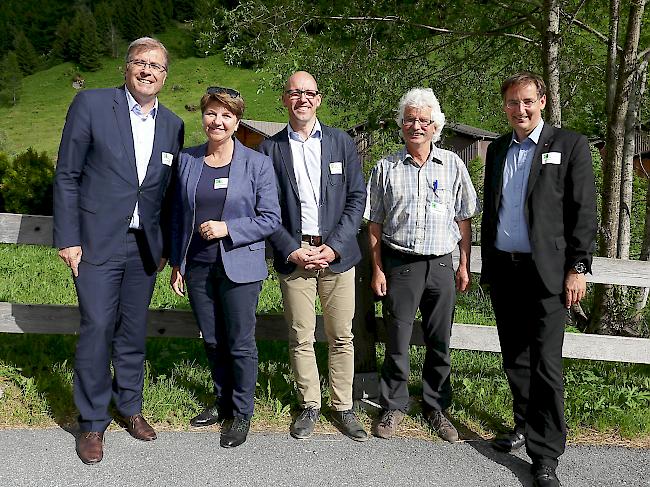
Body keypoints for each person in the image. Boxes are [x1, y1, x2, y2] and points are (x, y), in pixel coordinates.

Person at [53, 37, 184, 464]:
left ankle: (129, 406)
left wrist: (165, 246)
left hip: (143, 247)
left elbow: (166, 194)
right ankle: (91, 421)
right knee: (96, 327)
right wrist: (69, 238)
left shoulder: (173, 124)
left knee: (132, 330)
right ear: (126, 67)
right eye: (140, 63)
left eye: (156, 67)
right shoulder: (92, 105)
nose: (148, 71)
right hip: (96, 242)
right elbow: (68, 175)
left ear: (165, 76)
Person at [481, 72, 597, 487]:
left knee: (546, 365)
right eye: (513, 103)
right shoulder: (496, 149)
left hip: (548, 273)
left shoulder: (568, 145)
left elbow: (583, 211)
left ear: (542, 102)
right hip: (506, 269)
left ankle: (545, 455)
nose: (520, 109)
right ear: (505, 106)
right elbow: (493, 208)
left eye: (527, 101)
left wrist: (578, 267)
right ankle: (523, 427)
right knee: (516, 357)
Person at [258, 71, 368, 441]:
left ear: (318, 99)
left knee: (341, 335)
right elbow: (266, 207)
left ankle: (343, 406)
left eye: (309, 93)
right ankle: (310, 405)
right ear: (285, 99)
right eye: (294, 93)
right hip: (295, 256)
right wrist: (292, 249)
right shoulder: (269, 149)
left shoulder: (341, 143)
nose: (302, 98)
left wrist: (334, 245)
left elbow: (357, 199)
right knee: (301, 335)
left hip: (337, 254)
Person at [366, 88, 479, 442]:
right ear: (402, 126)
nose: (416, 126)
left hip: (442, 264)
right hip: (400, 264)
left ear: (436, 127)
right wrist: (378, 268)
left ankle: (436, 406)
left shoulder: (453, 165)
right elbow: (375, 223)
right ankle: (394, 405)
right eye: (410, 119)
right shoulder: (385, 167)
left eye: (424, 120)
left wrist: (464, 264)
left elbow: (464, 218)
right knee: (397, 340)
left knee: (439, 340)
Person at [169, 87, 280, 448]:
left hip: (241, 267)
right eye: (212, 114)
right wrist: (178, 262)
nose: (217, 121)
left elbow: (270, 219)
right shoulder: (187, 160)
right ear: (203, 117)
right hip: (198, 265)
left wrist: (228, 228)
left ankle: (242, 412)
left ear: (236, 121)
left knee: (240, 342)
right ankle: (222, 402)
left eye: (226, 116)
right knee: (213, 339)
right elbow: (177, 215)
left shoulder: (257, 163)